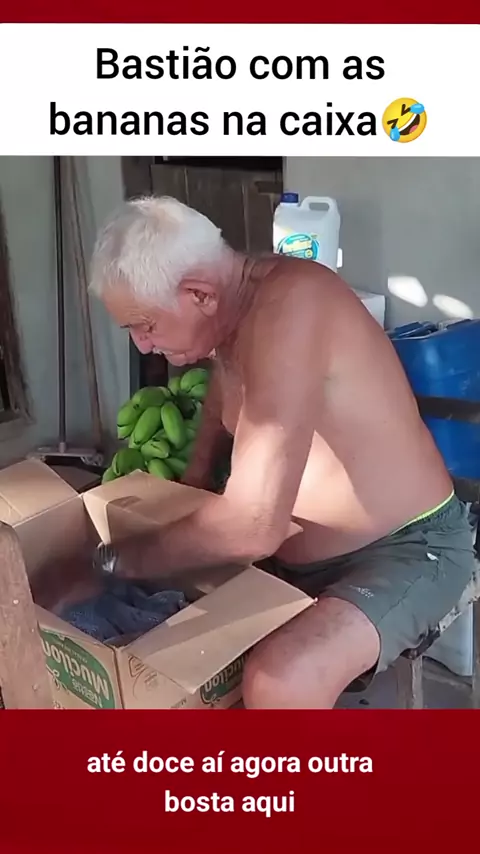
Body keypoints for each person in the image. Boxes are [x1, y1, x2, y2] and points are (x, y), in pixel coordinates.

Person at [90, 195, 474, 709]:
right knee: (169, 647)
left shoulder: (292, 305)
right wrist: (193, 482)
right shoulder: (232, 312)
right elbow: (226, 392)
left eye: (146, 324)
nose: (142, 345)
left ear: (200, 293)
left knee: (280, 680)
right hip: (288, 558)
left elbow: (252, 526)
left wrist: (112, 560)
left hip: (405, 548)